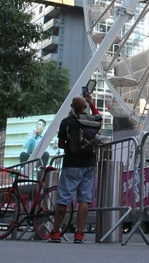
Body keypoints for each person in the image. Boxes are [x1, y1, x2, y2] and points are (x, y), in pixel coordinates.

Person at [48, 94, 102, 243]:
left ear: (72, 107)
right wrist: (91, 102)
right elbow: (99, 118)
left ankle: (55, 232)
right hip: (89, 164)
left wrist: (72, 148)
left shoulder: (67, 122)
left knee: (63, 199)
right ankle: (79, 234)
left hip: (71, 163)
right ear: (84, 107)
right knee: (84, 199)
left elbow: (60, 144)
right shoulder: (93, 120)